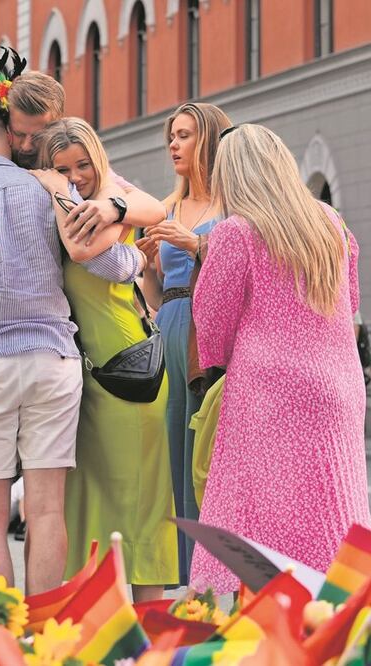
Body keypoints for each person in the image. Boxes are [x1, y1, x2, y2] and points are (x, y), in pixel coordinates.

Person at [0, 89, 145, 594]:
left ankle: (1, 632)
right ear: (7, 132)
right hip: (53, 357)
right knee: (46, 508)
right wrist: (139, 260)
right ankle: (42, 632)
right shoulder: (50, 186)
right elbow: (101, 258)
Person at [189, 123, 371, 593]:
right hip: (339, 384)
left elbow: (211, 320)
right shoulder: (330, 222)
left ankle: (269, 620)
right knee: (333, 504)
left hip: (267, 386)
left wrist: (220, 359)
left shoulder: (238, 232)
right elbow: (349, 301)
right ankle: (334, 611)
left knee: (261, 513)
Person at [33, 117, 176, 601]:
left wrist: (67, 193)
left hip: (125, 366)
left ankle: (148, 636)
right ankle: (100, 634)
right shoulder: (77, 200)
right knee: (91, 507)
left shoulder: (106, 198)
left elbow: (102, 260)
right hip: (85, 374)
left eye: (83, 164)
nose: (76, 176)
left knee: (138, 507)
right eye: (62, 168)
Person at [139, 102, 231, 584]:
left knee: (206, 453)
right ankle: (180, 571)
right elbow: (156, 295)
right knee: (171, 451)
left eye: (184, 135)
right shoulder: (163, 206)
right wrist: (149, 266)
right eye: (170, 136)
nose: (173, 144)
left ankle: (212, 570)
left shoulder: (232, 206)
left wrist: (197, 245)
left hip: (210, 331)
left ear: (210, 142)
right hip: (170, 323)